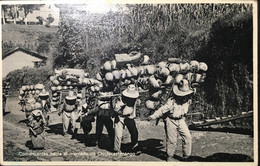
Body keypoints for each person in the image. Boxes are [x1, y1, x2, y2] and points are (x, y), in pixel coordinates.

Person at [148, 79, 194, 161]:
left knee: (187, 137)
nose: (185, 97)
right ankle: (169, 156)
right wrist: (152, 116)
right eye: (183, 95)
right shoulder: (171, 101)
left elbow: (185, 110)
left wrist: (183, 116)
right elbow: (162, 110)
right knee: (172, 140)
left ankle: (186, 156)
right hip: (170, 120)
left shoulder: (188, 100)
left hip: (180, 120)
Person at [113, 84, 140, 152]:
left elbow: (136, 105)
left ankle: (134, 146)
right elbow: (116, 110)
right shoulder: (120, 101)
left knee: (134, 132)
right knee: (118, 135)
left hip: (129, 117)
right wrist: (121, 107)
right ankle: (117, 149)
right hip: (120, 118)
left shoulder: (134, 100)